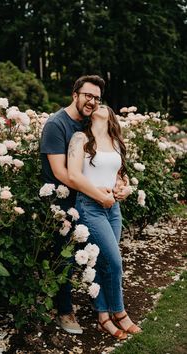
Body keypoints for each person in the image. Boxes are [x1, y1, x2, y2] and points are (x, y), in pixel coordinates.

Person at [40, 75, 121, 334]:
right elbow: (63, 173)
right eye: (88, 95)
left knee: (98, 257)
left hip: (89, 203)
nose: (92, 101)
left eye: (96, 97)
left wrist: (118, 184)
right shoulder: (56, 125)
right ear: (75, 94)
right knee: (63, 259)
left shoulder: (89, 123)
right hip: (61, 204)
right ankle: (64, 311)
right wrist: (97, 193)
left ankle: (102, 308)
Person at [67, 105, 142, 340]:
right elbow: (73, 174)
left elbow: (120, 175)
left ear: (111, 116)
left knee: (103, 263)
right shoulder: (80, 138)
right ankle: (119, 312)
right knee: (115, 262)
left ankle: (102, 317)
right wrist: (97, 193)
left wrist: (125, 188)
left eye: (104, 103)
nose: (99, 105)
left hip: (113, 208)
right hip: (90, 207)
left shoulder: (115, 140)